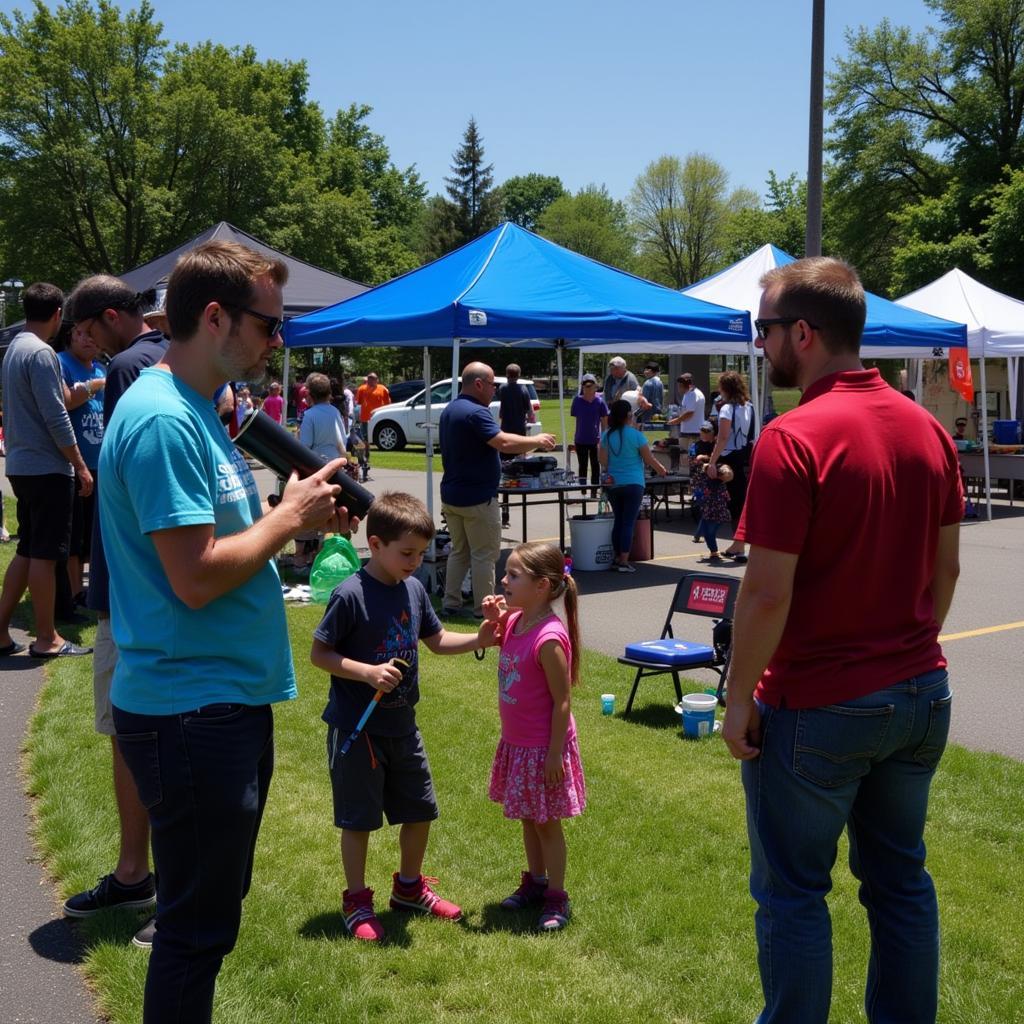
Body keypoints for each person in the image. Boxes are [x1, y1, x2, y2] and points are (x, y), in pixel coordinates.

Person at [100, 240, 350, 1023]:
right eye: (269, 325)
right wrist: (288, 517)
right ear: (216, 318)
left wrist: (292, 516)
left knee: (206, 920)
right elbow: (196, 576)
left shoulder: (199, 413)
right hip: (190, 711)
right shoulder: (165, 421)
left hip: (214, 702)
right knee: (194, 932)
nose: (278, 342)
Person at [722, 256, 962, 1024]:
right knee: (900, 882)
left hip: (821, 703)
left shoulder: (793, 438)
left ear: (803, 332)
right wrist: (902, 647)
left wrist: (737, 700)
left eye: (763, 331)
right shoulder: (929, 430)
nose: (760, 347)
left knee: (793, 892)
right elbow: (945, 571)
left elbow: (764, 592)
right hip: (922, 691)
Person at [310, 491, 500, 942]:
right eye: (407, 553)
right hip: (358, 731)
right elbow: (320, 653)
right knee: (359, 820)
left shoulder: (414, 589)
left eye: (421, 553)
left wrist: (481, 640)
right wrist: (367, 672)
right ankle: (356, 901)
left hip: (402, 726)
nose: (416, 562)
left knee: (420, 811)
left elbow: (434, 641)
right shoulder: (350, 594)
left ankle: (409, 890)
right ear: (375, 545)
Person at [60, 275, 171, 944]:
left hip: (133, 590)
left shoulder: (132, 365)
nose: (90, 350)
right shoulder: (173, 357)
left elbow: (137, 476)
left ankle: (148, 883)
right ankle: (138, 878)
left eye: (89, 337)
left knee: (135, 737)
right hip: (154, 585)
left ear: (108, 320)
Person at [481, 540, 586, 932]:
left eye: (513, 575)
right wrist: (493, 615)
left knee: (546, 823)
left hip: (544, 748)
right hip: (518, 744)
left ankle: (556, 896)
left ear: (542, 586)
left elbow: (563, 701)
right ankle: (535, 881)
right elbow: (487, 637)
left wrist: (555, 754)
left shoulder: (549, 638)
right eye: (505, 573)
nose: (504, 581)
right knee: (528, 817)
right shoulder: (515, 620)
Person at [0, 282, 93, 660]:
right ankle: (46, 638)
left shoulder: (13, 349)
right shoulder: (41, 353)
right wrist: (81, 466)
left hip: (21, 465)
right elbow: (57, 416)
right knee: (46, 555)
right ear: (58, 315)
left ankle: (1, 632)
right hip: (46, 469)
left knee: (27, 549)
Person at [439, 363, 556, 617]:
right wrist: (536, 440)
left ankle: (451, 602)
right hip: (477, 497)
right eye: (493, 384)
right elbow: (502, 441)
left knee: (460, 551)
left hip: (453, 494)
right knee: (484, 555)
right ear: (479, 384)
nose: (496, 389)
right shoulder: (476, 412)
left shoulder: (451, 409)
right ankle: (485, 608)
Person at [58, 323, 106, 604]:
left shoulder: (102, 367)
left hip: (101, 463)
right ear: (70, 337)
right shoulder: (61, 363)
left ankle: (89, 589)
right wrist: (95, 386)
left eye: (93, 333)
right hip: (75, 463)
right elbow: (63, 403)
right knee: (74, 534)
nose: (89, 339)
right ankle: (74, 592)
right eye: (82, 334)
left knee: (94, 532)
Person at [599, 399, 667, 574]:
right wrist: (661, 470)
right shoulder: (636, 435)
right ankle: (624, 560)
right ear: (629, 415)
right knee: (628, 522)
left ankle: (616, 557)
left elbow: (603, 461)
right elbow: (648, 459)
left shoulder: (606, 435)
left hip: (614, 483)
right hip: (634, 483)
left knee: (619, 521)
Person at [294, 372, 349, 573]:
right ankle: (321, 556)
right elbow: (342, 442)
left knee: (310, 513)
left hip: (315, 468)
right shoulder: (334, 412)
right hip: (335, 465)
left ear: (309, 393)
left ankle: (302, 560)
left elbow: (305, 445)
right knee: (330, 513)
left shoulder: (310, 415)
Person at [706, 370, 754, 562]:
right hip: (745, 456)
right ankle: (739, 546)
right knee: (740, 501)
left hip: (730, 457)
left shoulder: (726, 409)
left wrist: (712, 461)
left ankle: (738, 545)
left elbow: (724, 437)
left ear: (725, 388)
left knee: (731, 502)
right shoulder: (748, 406)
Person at [691, 458, 732, 563]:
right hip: (712, 512)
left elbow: (696, 481)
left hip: (714, 512)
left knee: (709, 533)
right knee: (709, 532)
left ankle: (714, 552)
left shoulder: (716, 483)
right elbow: (727, 498)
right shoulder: (714, 482)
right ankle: (713, 552)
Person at [570, 374, 609, 484]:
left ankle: (594, 489)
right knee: (582, 465)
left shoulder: (599, 401)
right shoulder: (577, 400)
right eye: (585, 386)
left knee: (596, 465)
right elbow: (577, 418)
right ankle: (582, 489)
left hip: (595, 440)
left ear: (595, 387)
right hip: (580, 439)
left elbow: (604, 420)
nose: (588, 388)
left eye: (590, 386)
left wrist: (604, 437)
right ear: (582, 387)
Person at [353, 372, 391, 481]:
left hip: (377, 417)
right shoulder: (361, 389)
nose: (370, 380)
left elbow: (387, 403)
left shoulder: (382, 389)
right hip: (365, 418)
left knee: (373, 437)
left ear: (377, 379)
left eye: (373, 378)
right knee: (365, 439)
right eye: (369, 378)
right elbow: (358, 403)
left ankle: (367, 455)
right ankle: (366, 456)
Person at [497, 362, 535, 436]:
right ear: (519, 375)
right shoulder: (523, 389)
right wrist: (530, 419)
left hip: (506, 426)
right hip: (520, 426)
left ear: (507, 374)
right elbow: (530, 410)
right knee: (520, 446)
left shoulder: (502, 388)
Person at [667, 372, 706, 440]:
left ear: (689, 384)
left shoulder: (692, 395)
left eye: (681, 385)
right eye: (679, 385)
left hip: (691, 431)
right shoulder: (690, 394)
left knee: (685, 449)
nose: (679, 387)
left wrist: (676, 421)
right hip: (692, 430)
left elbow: (690, 413)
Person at [638, 361, 664, 426]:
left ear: (650, 371)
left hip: (647, 414)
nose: (644, 372)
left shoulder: (647, 383)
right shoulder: (660, 382)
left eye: (646, 370)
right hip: (657, 413)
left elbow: (644, 401)